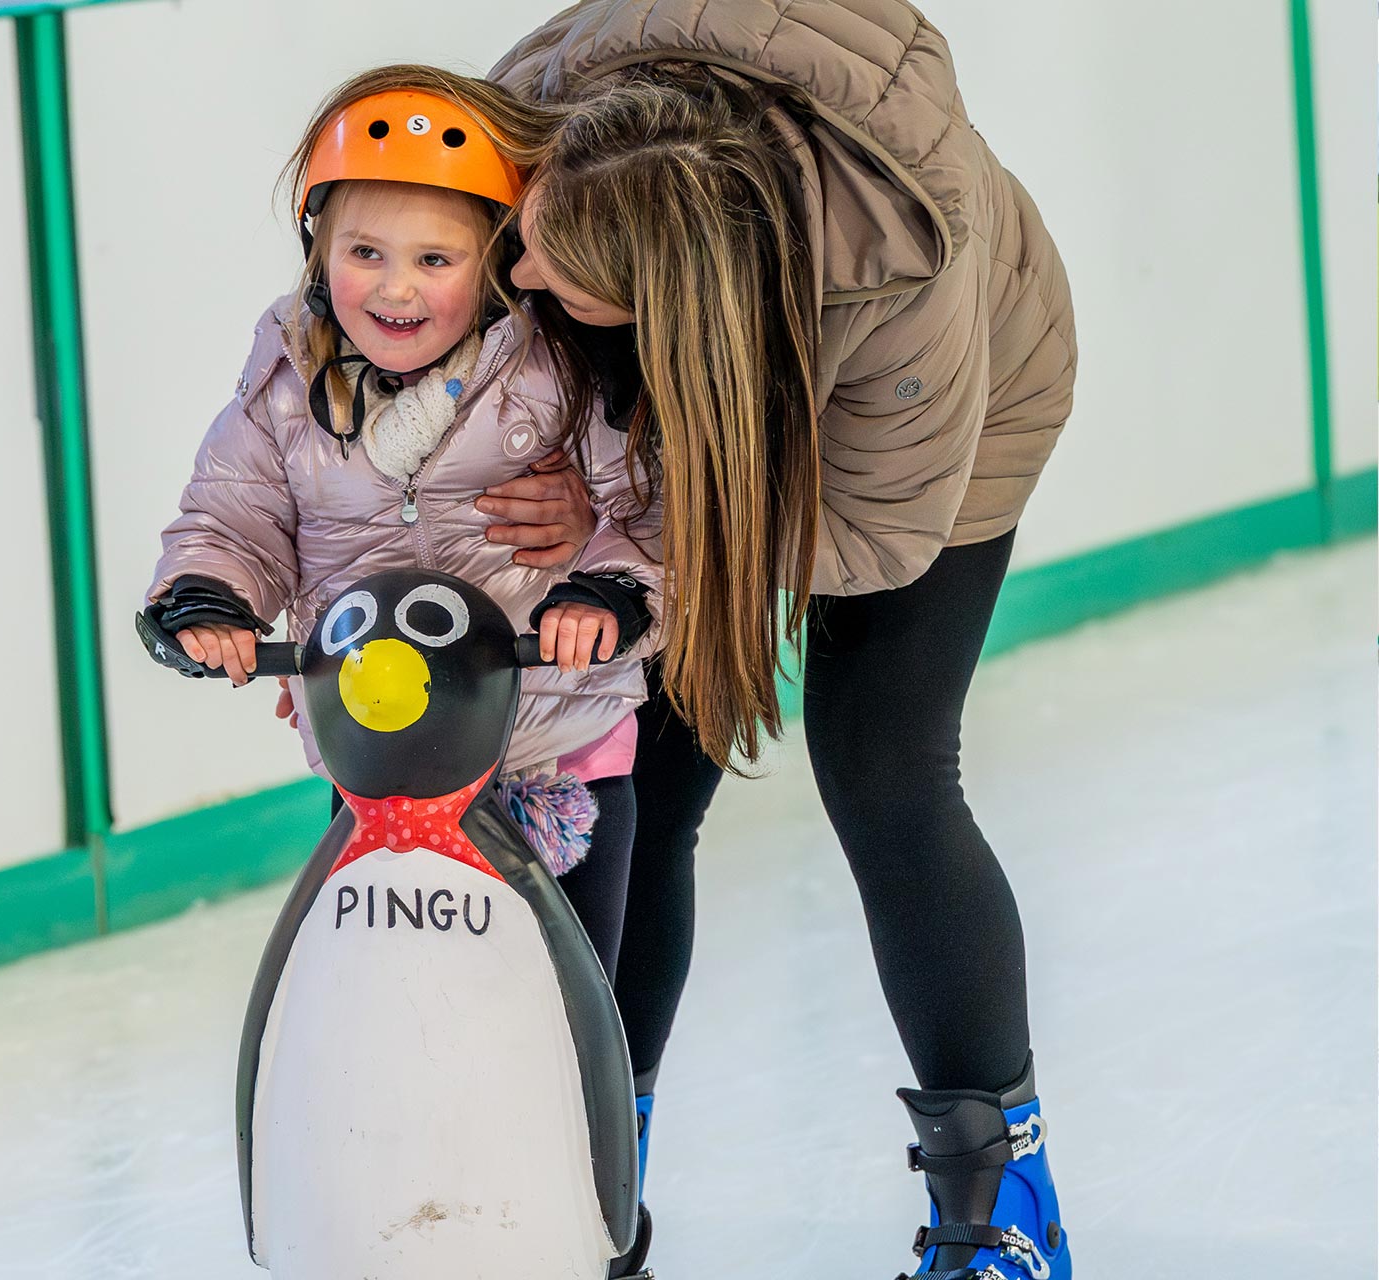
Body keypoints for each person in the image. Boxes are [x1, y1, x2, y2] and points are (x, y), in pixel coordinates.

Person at [462, 4, 1080, 1277]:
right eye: (527, 242)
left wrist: (643, 533)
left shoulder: (905, 277)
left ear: (668, 296)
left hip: (945, 418)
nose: (517, 279)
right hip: (692, 355)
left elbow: (874, 538)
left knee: (886, 762)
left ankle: (1003, 1204)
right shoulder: (529, 142)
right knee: (636, 767)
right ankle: (595, 1168)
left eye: (552, 272)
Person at [142, 67, 667, 1000]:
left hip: (559, 749)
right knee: (399, 1002)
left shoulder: (556, 373)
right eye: (365, 252)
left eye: (436, 260)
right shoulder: (286, 386)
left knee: (568, 999)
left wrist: (607, 592)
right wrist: (210, 596)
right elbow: (234, 513)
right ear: (318, 250)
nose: (396, 288)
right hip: (380, 755)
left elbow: (645, 511)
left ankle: (596, 1127)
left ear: (497, 261)